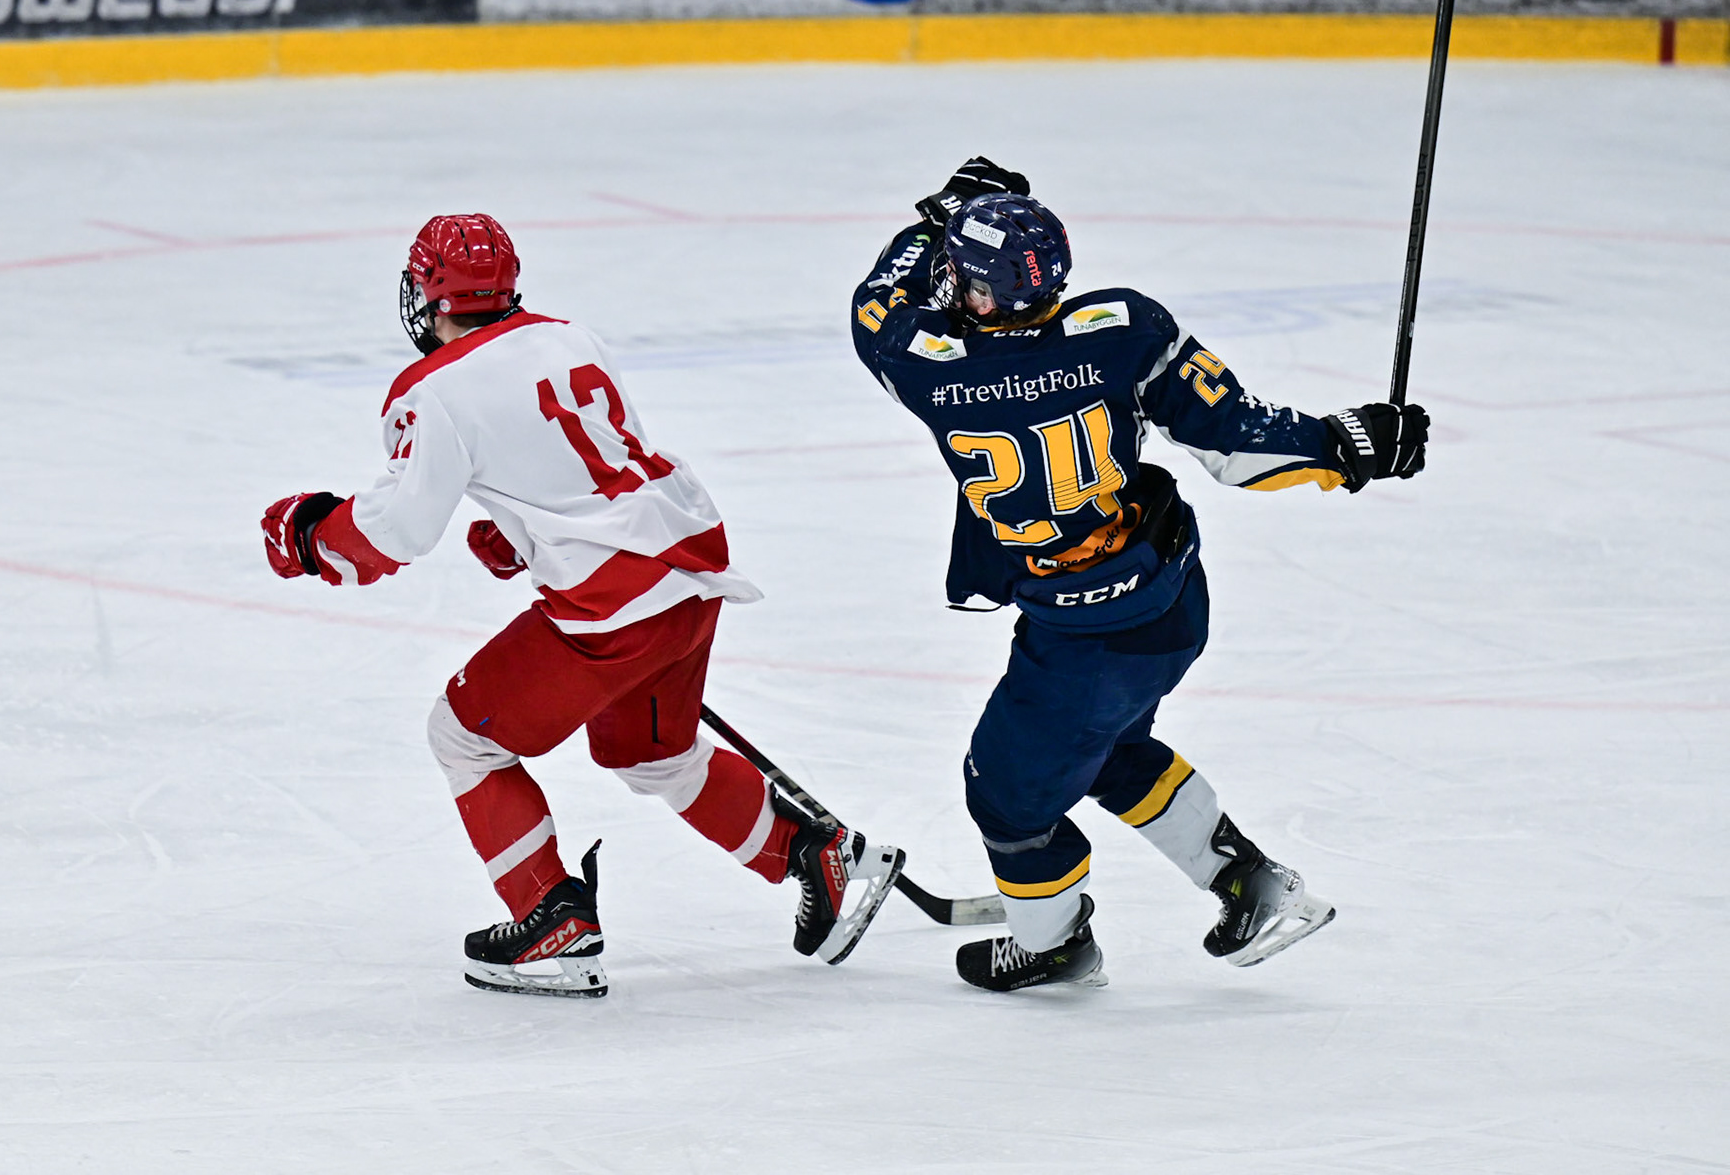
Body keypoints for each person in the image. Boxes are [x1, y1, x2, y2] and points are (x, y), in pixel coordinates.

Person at [265, 214, 902, 998]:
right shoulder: (569, 337)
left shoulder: (430, 390)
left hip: (610, 610)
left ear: (427, 293)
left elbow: (397, 530)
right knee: (651, 755)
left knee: (463, 737)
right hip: (689, 572)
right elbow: (590, 467)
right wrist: (523, 532)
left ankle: (549, 918)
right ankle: (815, 856)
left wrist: (310, 534)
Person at [850, 160, 1429, 992]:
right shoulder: (1124, 330)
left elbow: (877, 300)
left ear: (988, 298)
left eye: (965, 278)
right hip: (1168, 598)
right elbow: (1237, 441)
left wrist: (939, 219)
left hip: (1083, 634)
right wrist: (1347, 446)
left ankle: (1050, 946)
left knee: (1006, 795)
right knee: (1108, 749)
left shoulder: (924, 362)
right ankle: (1251, 884)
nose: (953, 286)